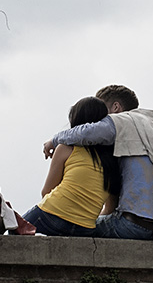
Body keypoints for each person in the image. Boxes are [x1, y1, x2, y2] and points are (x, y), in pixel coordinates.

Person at [42, 85, 153, 241]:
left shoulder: (122, 120)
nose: (99, 119)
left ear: (116, 107)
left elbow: (87, 132)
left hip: (133, 226)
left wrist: (53, 141)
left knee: (78, 226)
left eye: (103, 113)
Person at [24, 96, 120, 236]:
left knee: (14, 232)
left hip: (51, 214)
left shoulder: (65, 148)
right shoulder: (113, 159)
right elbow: (110, 207)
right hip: (85, 227)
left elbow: (46, 191)